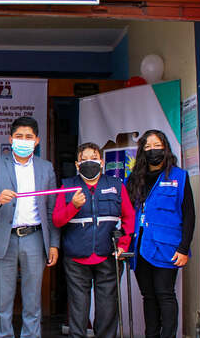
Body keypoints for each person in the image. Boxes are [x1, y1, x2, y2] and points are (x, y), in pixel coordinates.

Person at [0, 116, 60, 338]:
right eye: (19, 137)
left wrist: (54, 244)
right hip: (3, 239)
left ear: (37, 141)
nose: (23, 141)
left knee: (33, 300)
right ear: (10, 139)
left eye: (28, 137)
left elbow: (52, 209)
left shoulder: (46, 167)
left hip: (34, 238)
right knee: (3, 301)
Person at [52, 142, 135, 338]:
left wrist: (123, 245)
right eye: (84, 159)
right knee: (78, 308)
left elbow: (129, 217)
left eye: (94, 158)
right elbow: (57, 220)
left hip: (107, 254)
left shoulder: (115, 186)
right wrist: (72, 205)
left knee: (107, 308)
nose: (90, 162)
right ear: (77, 164)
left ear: (102, 162)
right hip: (76, 257)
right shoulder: (67, 186)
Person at [126, 129, 195, 338]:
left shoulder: (179, 176)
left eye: (157, 145)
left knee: (165, 294)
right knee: (148, 296)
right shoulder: (133, 178)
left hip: (167, 247)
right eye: (147, 146)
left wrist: (184, 248)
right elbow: (126, 213)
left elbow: (189, 214)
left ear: (165, 148)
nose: (152, 150)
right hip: (140, 246)